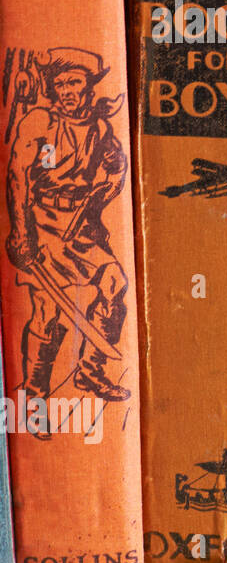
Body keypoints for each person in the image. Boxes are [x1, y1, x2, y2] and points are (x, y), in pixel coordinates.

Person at [7, 48, 131, 440]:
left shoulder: (98, 126)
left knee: (115, 284)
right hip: (43, 223)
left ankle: (90, 370)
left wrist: (101, 197)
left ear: (88, 86)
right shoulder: (39, 122)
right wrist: (21, 233)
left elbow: (117, 166)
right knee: (49, 312)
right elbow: (16, 175)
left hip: (82, 226)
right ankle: (34, 400)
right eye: (60, 84)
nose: (68, 91)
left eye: (75, 82)